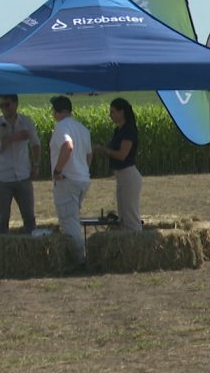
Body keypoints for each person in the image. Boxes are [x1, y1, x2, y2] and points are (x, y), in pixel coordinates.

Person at [0, 94, 40, 234]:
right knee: (2, 217)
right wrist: (11, 138)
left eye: (7, 105)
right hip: (2, 177)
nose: (4, 108)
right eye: (1, 105)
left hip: (23, 175)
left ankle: (31, 242)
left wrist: (36, 165)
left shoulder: (26, 122)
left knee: (29, 216)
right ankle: (0, 244)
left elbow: (35, 144)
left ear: (15, 104)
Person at [49, 96, 93, 264]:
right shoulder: (82, 128)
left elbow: (67, 146)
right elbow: (89, 155)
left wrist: (58, 169)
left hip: (67, 180)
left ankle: (79, 259)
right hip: (82, 179)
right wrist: (83, 170)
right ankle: (79, 256)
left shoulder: (62, 127)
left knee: (69, 221)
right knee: (73, 218)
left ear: (57, 111)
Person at [93, 98, 142, 231]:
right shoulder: (118, 130)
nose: (110, 115)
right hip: (121, 175)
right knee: (123, 215)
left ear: (122, 112)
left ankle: (135, 238)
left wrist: (103, 150)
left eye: (113, 112)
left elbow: (122, 155)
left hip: (128, 174)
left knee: (130, 215)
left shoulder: (128, 130)